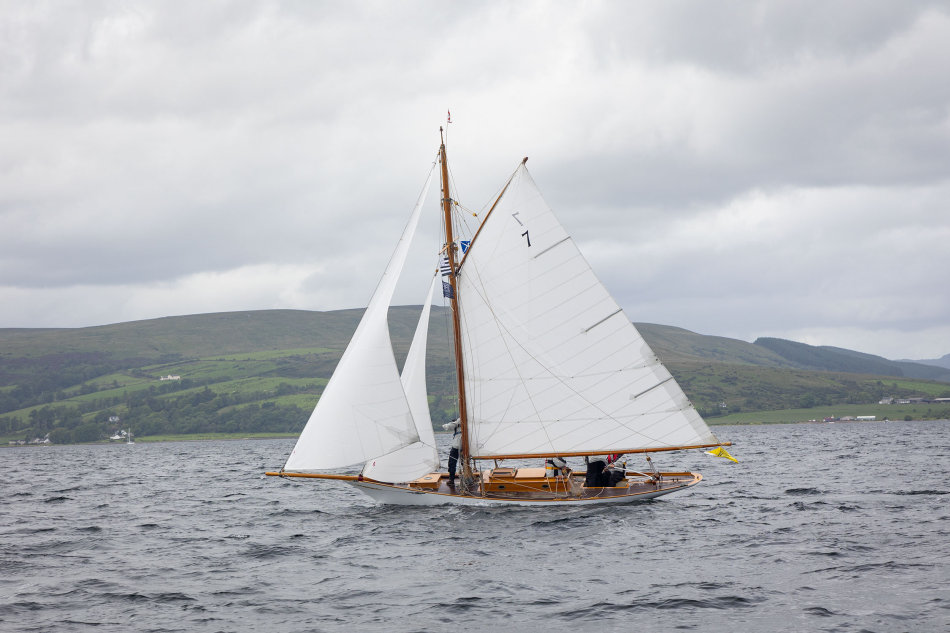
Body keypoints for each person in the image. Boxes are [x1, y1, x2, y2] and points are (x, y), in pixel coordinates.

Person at [442, 419, 461, 485]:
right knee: (464, 462)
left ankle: (451, 480)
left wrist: (444, 426)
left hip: (457, 446)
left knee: (452, 463)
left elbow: (450, 425)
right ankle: (466, 478)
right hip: (466, 446)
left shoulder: (460, 420)